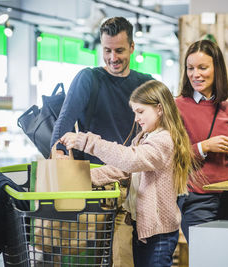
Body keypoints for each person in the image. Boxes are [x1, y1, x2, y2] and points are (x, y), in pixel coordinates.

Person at [50, 17, 152, 267]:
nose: (113, 58)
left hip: (134, 192)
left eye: (119, 50)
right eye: (107, 50)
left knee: (127, 260)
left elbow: (158, 136)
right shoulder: (89, 79)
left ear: (132, 47)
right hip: (93, 191)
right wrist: (60, 157)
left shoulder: (146, 83)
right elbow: (60, 134)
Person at [60, 80, 193, 267]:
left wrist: (86, 141)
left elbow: (130, 160)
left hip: (159, 234)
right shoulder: (144, 138)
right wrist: (82, 178)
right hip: (144, 229)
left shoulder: (163, 140)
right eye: (135, 113)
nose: (136, 118)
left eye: (140, 112)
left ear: (160, 109)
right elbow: (120, 169)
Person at [175, 40, 228, 242]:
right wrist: (205, 146)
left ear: (217, 69)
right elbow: (170, 156)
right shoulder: (176, 107)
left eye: (203, 68)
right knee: (206, 257)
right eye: (190, 68)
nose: (196, 74)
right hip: (197, 198)